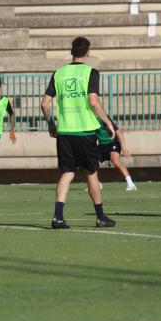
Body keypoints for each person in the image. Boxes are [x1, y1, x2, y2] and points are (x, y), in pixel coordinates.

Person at [40, 37, 116, 229]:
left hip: (65, 132)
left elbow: (44, 104)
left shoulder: (59, 73)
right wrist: (108, 122)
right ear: (88, 52)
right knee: (91, 174)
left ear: (72, 52)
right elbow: (93, 101)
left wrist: (51, 124)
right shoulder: (91, 72)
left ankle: (58, 217)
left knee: (67, 173)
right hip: (85, 131)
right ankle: (100, 217)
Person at [95, 116, 137, 191]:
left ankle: (130, 183)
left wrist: (124, 148)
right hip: (101, 145)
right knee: (89, 162)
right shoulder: (89, 120)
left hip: (112, 142)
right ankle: (96, 184)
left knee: (115, 160)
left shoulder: (104, 118)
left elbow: (118, 132)